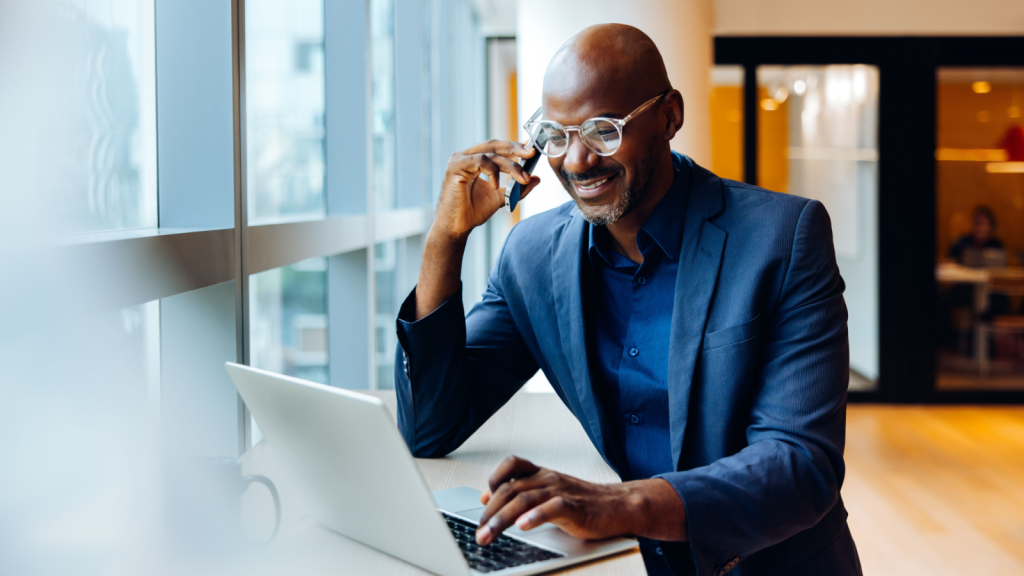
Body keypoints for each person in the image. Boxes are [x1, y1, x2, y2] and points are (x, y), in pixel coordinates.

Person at [393, 24, 860, 576]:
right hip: (619, 563)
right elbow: (430, 426)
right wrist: (444, 243)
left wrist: (621, 506)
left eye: (603, 131)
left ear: (669, 117)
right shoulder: (534, 255)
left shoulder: (783, 236)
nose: (577, 160)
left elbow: (802, 465)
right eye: (556, 134)